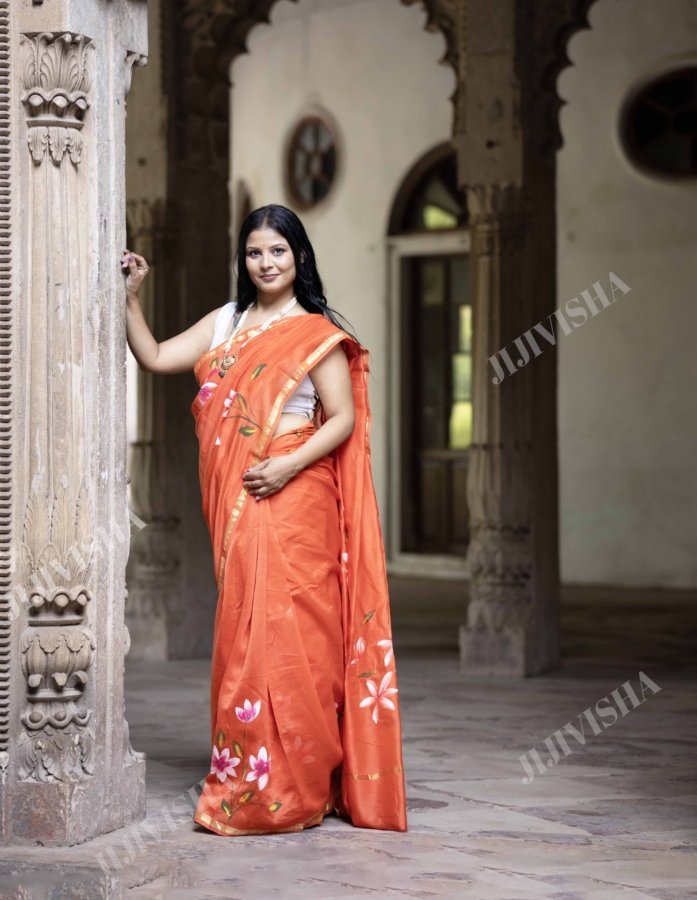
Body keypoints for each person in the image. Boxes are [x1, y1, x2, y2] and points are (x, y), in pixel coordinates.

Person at [123, 204, 407, 836]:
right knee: (247, 630)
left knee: (298, 633)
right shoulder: (228, 321)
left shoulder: (314, 331)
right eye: (255, 252)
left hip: (296, 492)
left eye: (278, 251)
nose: (267, 262)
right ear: (243, 261)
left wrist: (284, 467)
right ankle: (251, 776)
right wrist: (130, 298)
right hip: (241, 496)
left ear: (299, 257)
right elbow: (158, 356)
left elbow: (342, 420)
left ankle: (301, 781)